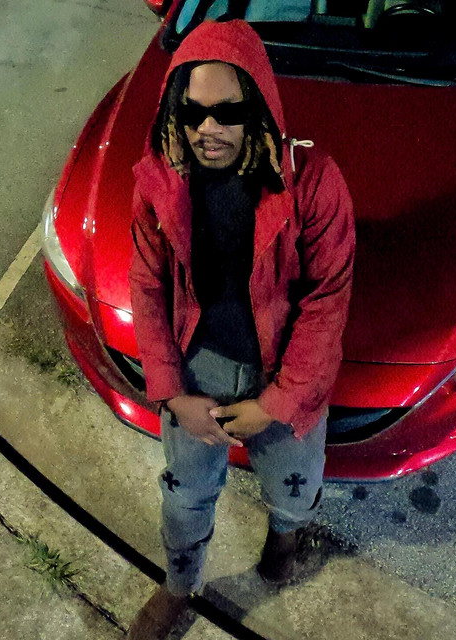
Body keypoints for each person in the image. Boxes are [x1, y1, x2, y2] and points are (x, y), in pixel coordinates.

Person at [127, 17, 355, 640]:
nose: (209, 129)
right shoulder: (160, 181)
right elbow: (146, 286)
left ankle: (284, 543)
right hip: (196, 368)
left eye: (228, 112)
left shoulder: (310, 182)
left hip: (281, 369)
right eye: (194, 112)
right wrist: (172, 390)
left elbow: (327, 300)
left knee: (295, 486)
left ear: (257, 105)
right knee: (183, 495)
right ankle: (179, 584)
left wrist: (276, 403)